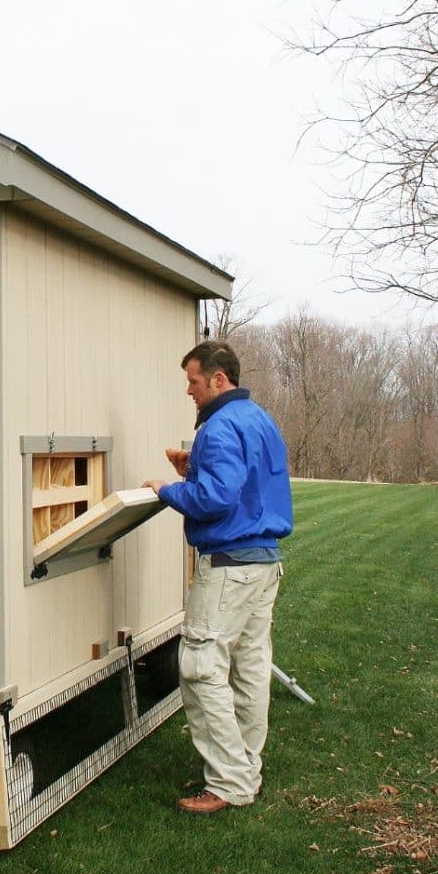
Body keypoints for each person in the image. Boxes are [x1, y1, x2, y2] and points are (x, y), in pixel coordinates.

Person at [143, 340, 292, 815]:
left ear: (218, 380)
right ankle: (246, 767)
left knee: (200, 666)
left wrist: (169, 489)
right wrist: (196, 471)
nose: (189, 390)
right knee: (249, 667)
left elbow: (216, 500)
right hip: (264, 563)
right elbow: (245, 485)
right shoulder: (260, 420)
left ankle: (229, 783)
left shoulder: (218, 424)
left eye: (193, 381)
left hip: (229, 565)